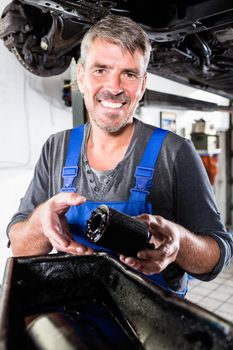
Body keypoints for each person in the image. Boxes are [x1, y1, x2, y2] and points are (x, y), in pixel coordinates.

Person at [7, 15, 233, 298]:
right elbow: (20, 245)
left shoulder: (174, 152)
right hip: (76, 319)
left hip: (153, 328)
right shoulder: (56, 147)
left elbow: (218, 255)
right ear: (81, 77)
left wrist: (180, 242)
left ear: (142, 84)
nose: (114, 87)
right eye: (100, 70)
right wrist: (42, 219)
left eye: (129, 73)